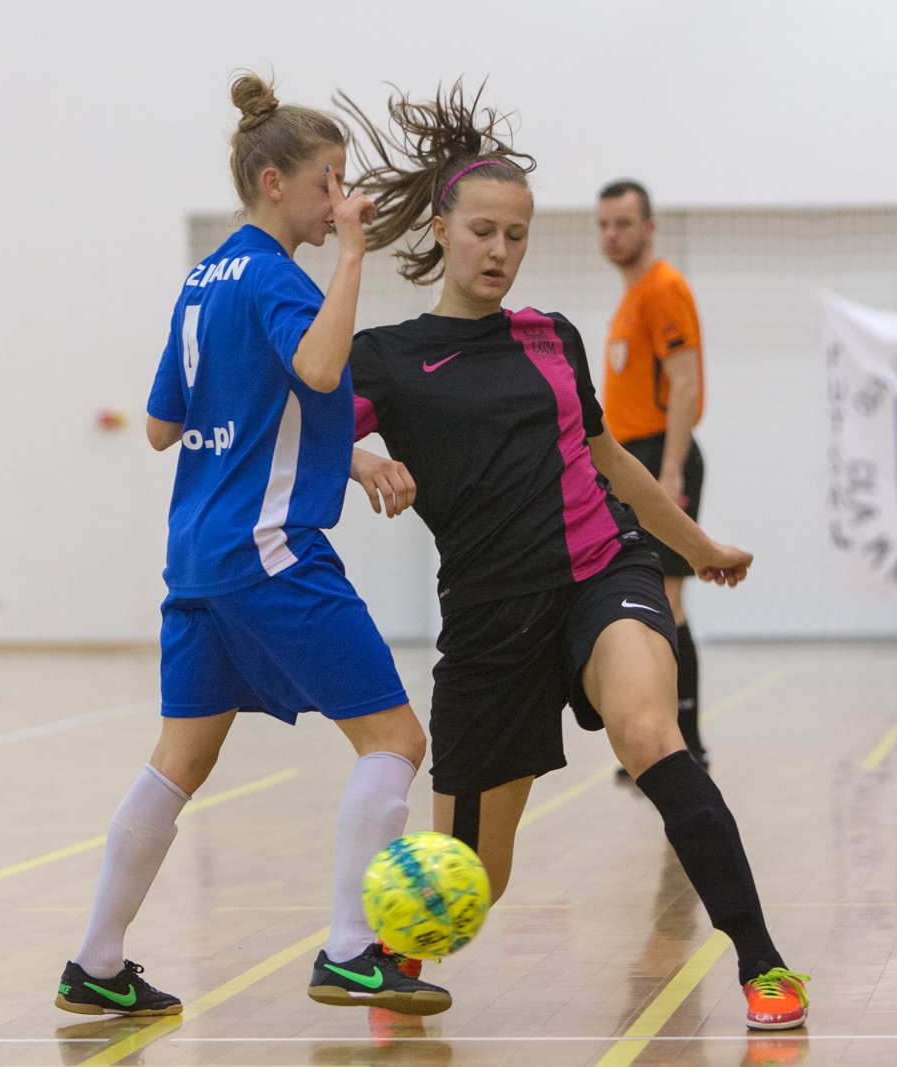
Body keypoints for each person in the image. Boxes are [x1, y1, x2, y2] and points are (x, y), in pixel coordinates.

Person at [337, 84, 809, 1030]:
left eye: (516, 236)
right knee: (472, 879)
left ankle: (763, 963)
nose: (499, 251)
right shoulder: (385, 357)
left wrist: (698, 547)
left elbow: (610, 461)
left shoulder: (552, 336)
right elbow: (301, 441)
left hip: (602, 571)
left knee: (649, 732)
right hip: (489, 621)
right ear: (441, 229)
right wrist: (363, 459)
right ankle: (399, 954)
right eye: (482, 232)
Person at [52, 73, 451, 1020]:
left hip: (197, 559)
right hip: (269, 551)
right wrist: (351, 254)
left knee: (179, 761)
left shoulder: (203, 279)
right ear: (274, 182)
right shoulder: (279, 275)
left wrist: (344, 455)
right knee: (396, 739)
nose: (339, 198)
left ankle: (95, 961)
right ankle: (351, 949)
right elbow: (318, 364)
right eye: (327, 181)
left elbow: (164, 426)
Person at [596, 179, 709, 771]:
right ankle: (660, 741)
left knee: (667, 599)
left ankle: (685, 742)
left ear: (649, 227)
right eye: (604, 224)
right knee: (643, 600)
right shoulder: (632, 296)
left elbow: (685, 383)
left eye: (623, 223)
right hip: (632, 459)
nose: (612, 234)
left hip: (660, 457)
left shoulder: (663, 287)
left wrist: (669, 472)